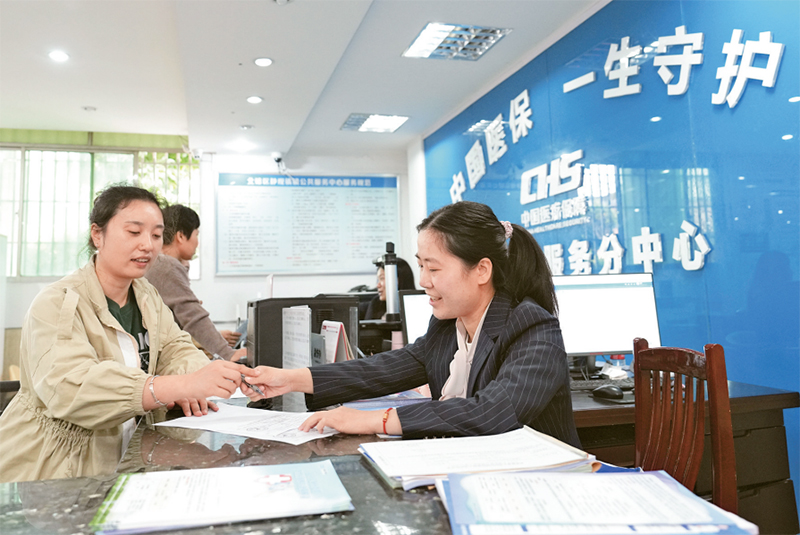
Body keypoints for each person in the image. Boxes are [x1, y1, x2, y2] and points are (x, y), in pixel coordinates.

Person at [243, 201, 580, 447]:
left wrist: (376, 420)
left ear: (481, 270)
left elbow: (494, 411)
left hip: (540, 483)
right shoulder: (448, 325)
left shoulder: (533, 326)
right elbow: (383, 369)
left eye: (434, 269)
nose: (423, 281)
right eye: (420, 266)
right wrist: (290, 379)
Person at [0, 186, 254, 483]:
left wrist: (195, 380)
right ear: (97, 234)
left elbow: (176, 348)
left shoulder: (146, 295)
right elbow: (73, 388)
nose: (147, 245)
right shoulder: (58, 302)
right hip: (56, 468)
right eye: (134, 232)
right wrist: (176, 386)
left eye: (156, 235)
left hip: (129, 457)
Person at [145, 204, 246, 361]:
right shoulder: (166, 266)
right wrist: (228, 353)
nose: (197, 243)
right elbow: (193, 317)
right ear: (180, 236)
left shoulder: (160, 263)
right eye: (196, 235)